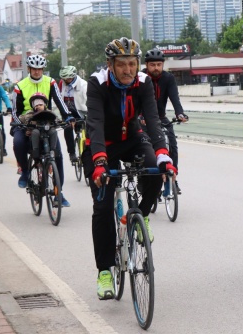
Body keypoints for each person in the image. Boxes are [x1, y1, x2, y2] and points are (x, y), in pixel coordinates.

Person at [84, 37, 176, 300]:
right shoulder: (97, 83)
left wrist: (162, 153)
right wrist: (100, 162)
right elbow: (96, 123)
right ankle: (104, 271)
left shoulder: (144, 82)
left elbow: (153, 118)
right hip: (102, 145)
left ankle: (141, 215)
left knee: (156, 170)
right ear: (110, 64)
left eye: (132, 64)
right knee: (102, 207)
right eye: (122, 64)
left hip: (133, 138)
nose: (127, 70)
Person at [11, 55, 74, 202]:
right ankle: (25, 172)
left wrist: (68, 116)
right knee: (18, 143)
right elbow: (15, 111)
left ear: (43, 69)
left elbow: (59, 101)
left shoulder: (50, 82)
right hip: (26, 121)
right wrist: (19, 124)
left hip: (46, 120)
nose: (37, 72)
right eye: (34, 69)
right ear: (29, 69)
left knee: (57, 156)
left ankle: (59, 193)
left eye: (40, 69)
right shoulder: (20, 86)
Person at [141, 49, 188, 194]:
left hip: (160, 118)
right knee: (143, 149)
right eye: (153, 65)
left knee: (172, 145)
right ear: (146, 65)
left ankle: (173, 176)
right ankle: (142, 180)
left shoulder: (168, 78)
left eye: (159, 64)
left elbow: (174, 98)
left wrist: (180, 113)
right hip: (142, 118)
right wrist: (140, 116)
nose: (156, 68)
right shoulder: (140, 77)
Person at [17, 92, 59, 166]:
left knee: (53, 132)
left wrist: (58, 122)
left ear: (44, 105)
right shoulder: (30, 113)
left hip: (47, 131)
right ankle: (35, 153)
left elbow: (56, 119)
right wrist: (28, 124)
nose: (39, 106)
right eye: (36, 105)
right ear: (33, 107)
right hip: (37, 132)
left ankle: (53, 151)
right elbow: (23, 119)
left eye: (41, 105)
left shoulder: (49, 112)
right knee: (35, 132)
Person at [58, 65, 87, 163]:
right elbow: (58, 99)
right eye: (65, 78)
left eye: (69, 78)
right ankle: (72, 153)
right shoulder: (61, 84)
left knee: (89, 130)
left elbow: (89, 101)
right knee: (68, 127)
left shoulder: (83, 85)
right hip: (67, 112)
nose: (67, 80)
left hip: (80, 112)